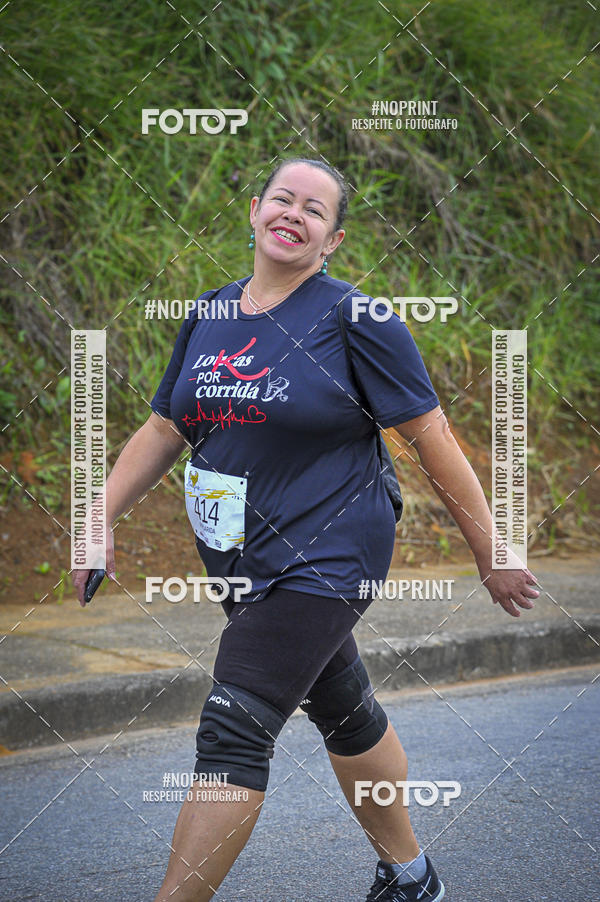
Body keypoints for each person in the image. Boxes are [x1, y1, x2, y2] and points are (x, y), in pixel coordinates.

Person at [73, 156, 539, 902]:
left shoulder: (358, 317)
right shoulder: (212, 312)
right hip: (242, 557)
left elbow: (431, 436)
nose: (294, 214)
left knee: (233, 726)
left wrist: (492, 548)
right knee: (343, 706)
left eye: (314, 210)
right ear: (255, 211)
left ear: (332, 241)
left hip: (332, 548)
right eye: (283, 200)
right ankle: (412, 878)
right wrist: (95, 520)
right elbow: (164, 428)